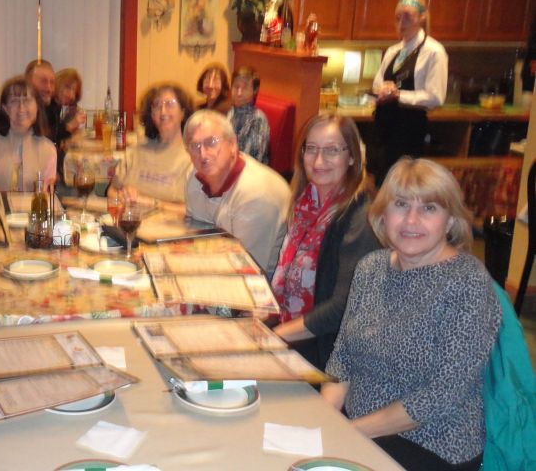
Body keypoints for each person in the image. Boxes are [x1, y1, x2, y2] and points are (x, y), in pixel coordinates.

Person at [323, 158, 501, 471]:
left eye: (429, 208)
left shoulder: (468, 282)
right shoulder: (371, 267)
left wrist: (348, 433)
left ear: (450, 220)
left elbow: (442, 394)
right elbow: (342, 359)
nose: (411, 220)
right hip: (359, 429)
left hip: (432, 444)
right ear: (383, 213)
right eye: (401, 204)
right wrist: (322, 421)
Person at [270, 114, 380, 370]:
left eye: (332, 150)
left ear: (352, 157)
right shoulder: (305, 202)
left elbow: (343, 307)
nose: (319, 161)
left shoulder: (360, 218)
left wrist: (273, 337)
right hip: (291, 331)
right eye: (311, 149)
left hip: (326, 352)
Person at [183, 109, 290, 275]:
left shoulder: (257, 194)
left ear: (232, 145)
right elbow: (195, 237)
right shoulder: (194, 176)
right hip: (217, 267)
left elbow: (246, 269)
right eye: (195, 146)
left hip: (261, 282)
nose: (203, 154)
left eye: (211, 142)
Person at [372, 0, 448, 184]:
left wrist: (398, 94)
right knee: (380, 182)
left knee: (402, 185)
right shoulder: (393, 51)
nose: (401, 23)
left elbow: (436, 96)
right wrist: (382, 89)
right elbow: (377, 83)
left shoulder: (434, 52)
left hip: (409, 131)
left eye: (407, 17)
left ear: (422, 17)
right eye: (398, 18)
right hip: (384, 129)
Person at [0, 76, 56, 192]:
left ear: (37, 106)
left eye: (27, 100)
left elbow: (47, 197)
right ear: (5, 108)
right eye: (14, 101)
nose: (21, 108)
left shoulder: (48, 149)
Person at [109, 83, 194, 208]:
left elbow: (194, 211)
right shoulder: (135, 151)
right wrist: (123, 195)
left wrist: (152, 203)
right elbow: (111, 191)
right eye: (157, 105)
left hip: (170, 221)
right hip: (130, 218)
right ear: (152, 115)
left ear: (183, 112)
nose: (163, 111)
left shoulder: (193, 158)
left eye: (169, 104)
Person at [227, 66, 270, 164]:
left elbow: (251, 160)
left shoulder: (258, 119)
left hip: (249, 170)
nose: (239, 93)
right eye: (236, 87)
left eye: (245, 88)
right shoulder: (230, 112)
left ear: (254, 90)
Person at [52, 68, 87, 175]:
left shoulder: (58, 106)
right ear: (58, 83)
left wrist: (72, 130)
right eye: (68, 87)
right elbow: (50, 136)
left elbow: (58, 134)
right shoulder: (49, 105)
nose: (71, 95)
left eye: (74, 91)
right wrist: (71, 125)